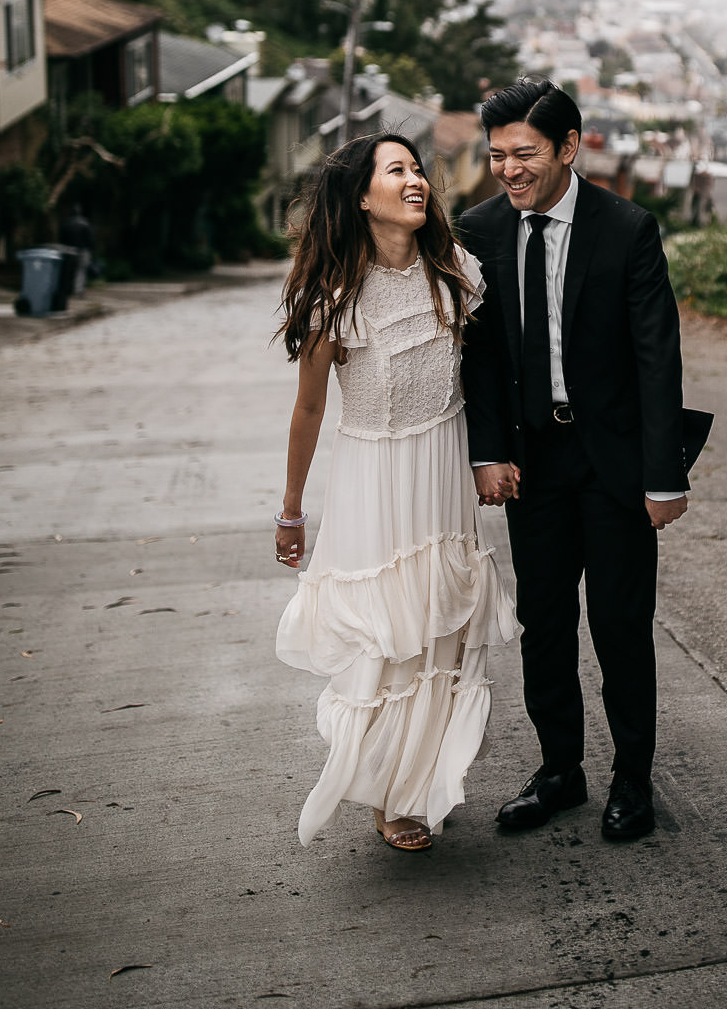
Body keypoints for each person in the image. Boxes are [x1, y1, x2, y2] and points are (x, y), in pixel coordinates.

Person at [458, 77, 689, 845]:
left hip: (613, 461)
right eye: (496, 156)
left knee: (622, 623)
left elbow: (658, 359)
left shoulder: (626, 228)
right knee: (544, 620)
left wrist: (664, 475)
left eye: (524, 153)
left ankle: (632, 778)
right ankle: (560, 771)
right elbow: (480, 357)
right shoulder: (481, 230)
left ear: (568, 147)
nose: (509, 169)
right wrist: (487, 451)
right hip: (533, 465)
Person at [274, 132, 515, 852]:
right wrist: (291, 511)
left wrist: (490, 457)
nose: (416, 181)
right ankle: (388, 789)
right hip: (374, 484)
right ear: (361, 196)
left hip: (441, 474)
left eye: (417, 169)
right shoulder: (335, 298)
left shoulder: (456, 274)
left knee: (443, 629)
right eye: (397, 171)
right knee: (390, 640)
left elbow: (487, 375)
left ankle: (421, 784)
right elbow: (310, 411)